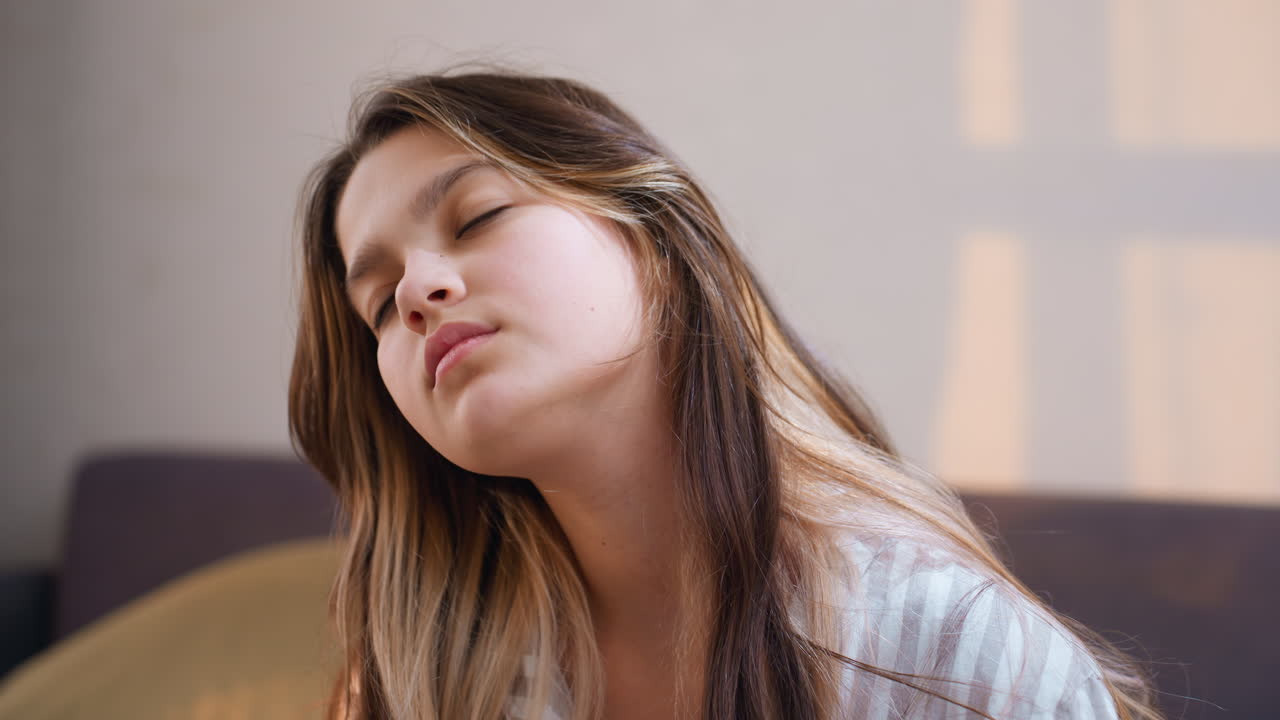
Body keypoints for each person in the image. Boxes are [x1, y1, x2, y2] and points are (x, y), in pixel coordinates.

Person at [288, 66, 1163, 720]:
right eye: (378, 305)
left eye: (478, 217)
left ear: (657, 245)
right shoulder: (427, 682)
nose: (415, 294)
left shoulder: (954, 654)